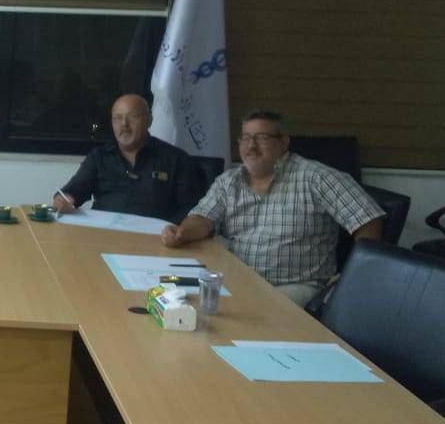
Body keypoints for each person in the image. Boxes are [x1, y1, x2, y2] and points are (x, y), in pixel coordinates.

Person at [161, 110, 386, 306]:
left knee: (243, 314)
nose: (251, 146)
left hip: (294, 285)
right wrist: (182, 233)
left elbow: (368, 219)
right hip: (236, 277)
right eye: (246, 138)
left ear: (284, 142)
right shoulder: (229, 180)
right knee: (178, 297)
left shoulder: (317, 178)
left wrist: (352, 275)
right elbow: (202, 218)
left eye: (262, 138)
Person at [54, 94, 203, 224]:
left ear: (149, 121)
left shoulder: (176, 159)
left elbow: (192, 207)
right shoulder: (99, 157)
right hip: (104, 234)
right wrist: (64, 200)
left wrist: (169, 229)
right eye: (118, 118)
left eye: (132, 117)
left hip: (156, 238)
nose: (124, 124)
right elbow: (72, 192)